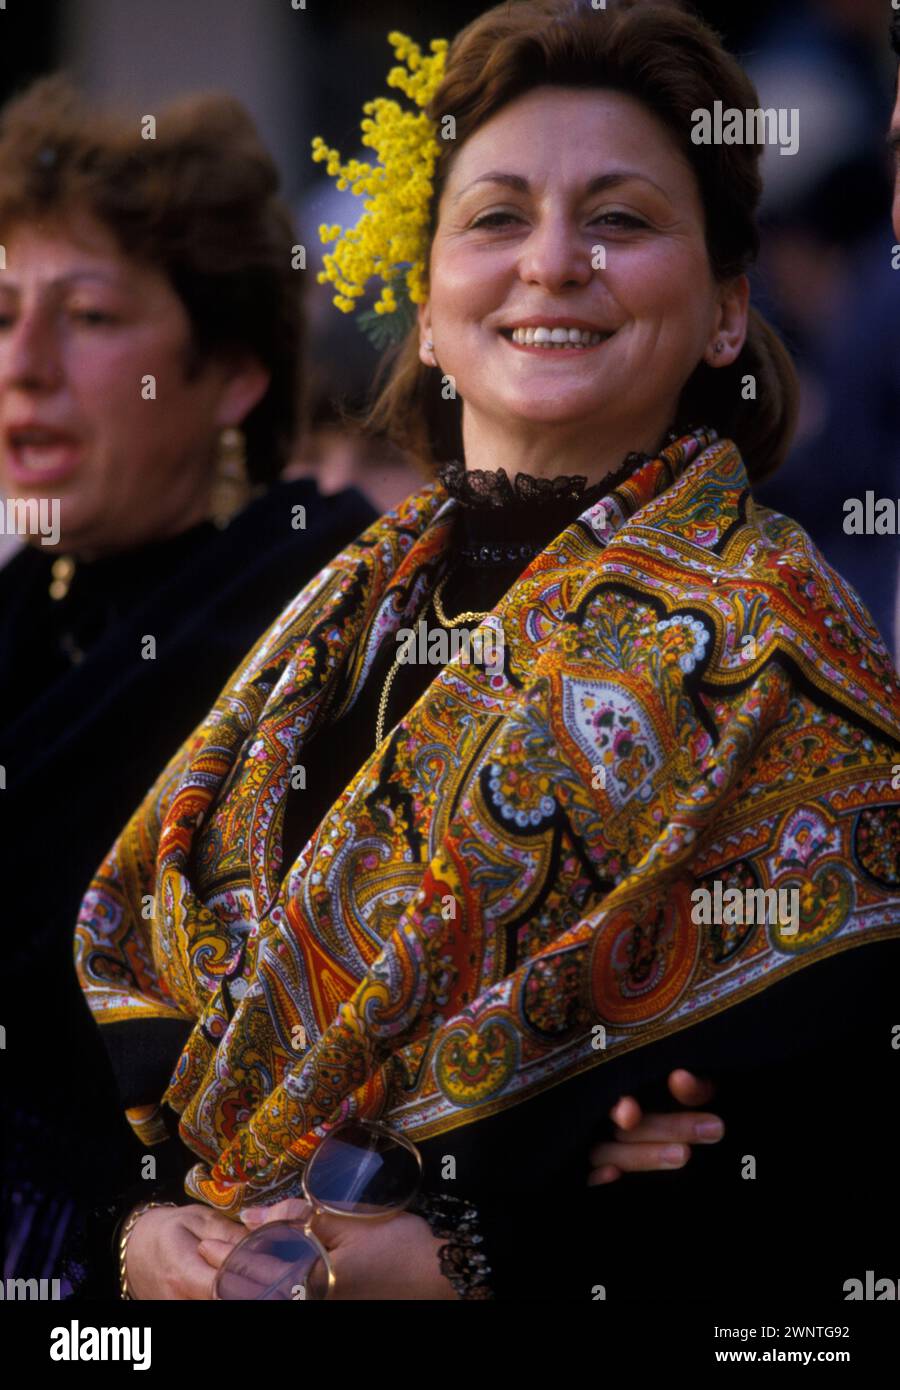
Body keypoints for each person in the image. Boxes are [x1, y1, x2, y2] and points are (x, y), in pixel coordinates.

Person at [75, 1, 900, 1301]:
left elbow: (836, 1158)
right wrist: (136, 1237)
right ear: (429, 298)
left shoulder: (786, 647)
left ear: (729, 312)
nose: (555, 260)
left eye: (621, 220)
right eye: (498, 216)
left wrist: (467, 1259)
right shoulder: (327, 610)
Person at [0, 74, 378, 1287]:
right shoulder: (25, 598)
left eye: (91, 316)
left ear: (232, 375)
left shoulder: (320, 616)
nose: (23, 362)